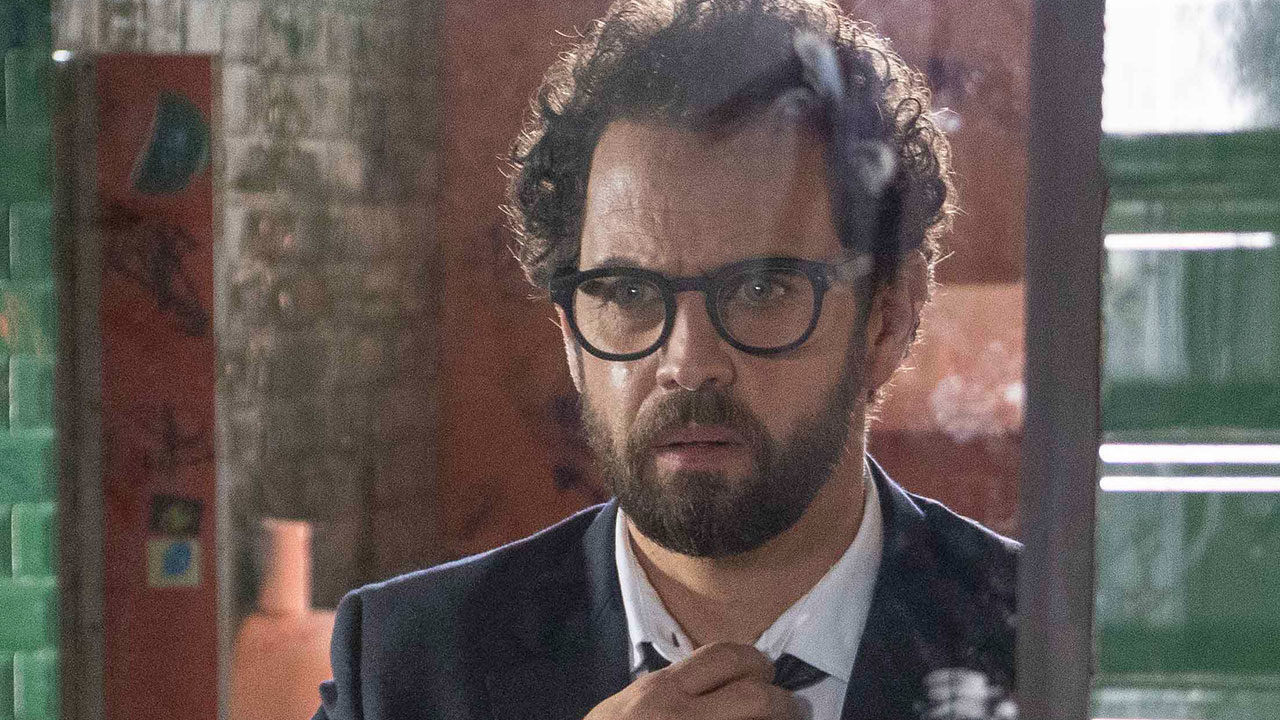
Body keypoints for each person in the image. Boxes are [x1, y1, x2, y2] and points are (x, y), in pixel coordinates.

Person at [314, 1, 1019, 718]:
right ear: (569, 331)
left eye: (760, 289)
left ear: (887, 320)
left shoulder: (1044, 646)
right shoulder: (407, 664)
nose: (688, 361)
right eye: (627, 292)